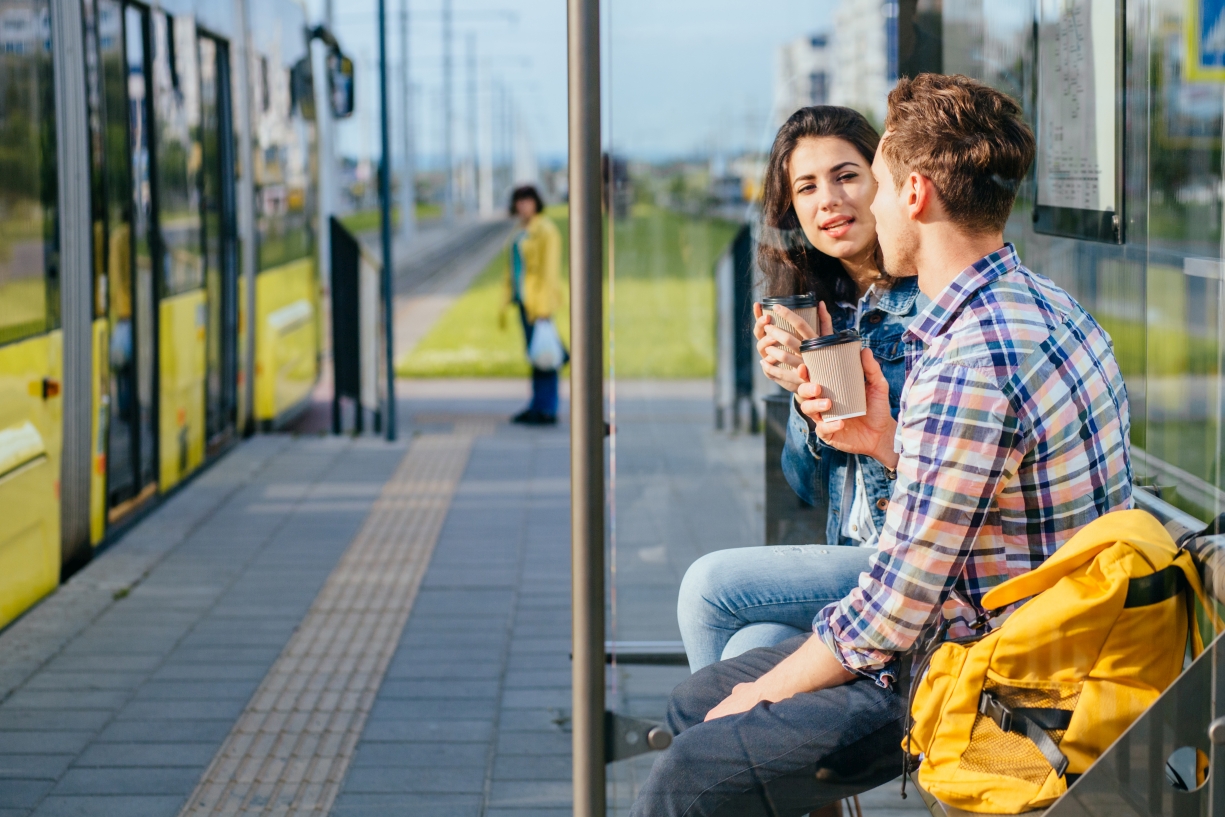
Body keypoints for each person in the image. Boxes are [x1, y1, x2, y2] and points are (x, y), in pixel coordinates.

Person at [630, 73, 1133, 817]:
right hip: (1022, 639)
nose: (854, 204)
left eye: (876, 180)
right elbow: (985, 487)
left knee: (693, 764)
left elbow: (894, 606)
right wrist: (886, 442)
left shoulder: (968, 358)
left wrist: (765, 689)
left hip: (988, 687)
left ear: (915, 194)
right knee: (695, 703)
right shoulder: (1040, 307)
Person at [677, 107, 928, 672]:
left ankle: (707, 752)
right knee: (750, 647)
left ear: (885, 182)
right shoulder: (826, 310)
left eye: (846, 176)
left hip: (909, 564)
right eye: (806, 187)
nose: (828, 202)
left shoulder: (929, 308)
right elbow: (809, 489)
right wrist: (800, 395)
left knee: (709, 586)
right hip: (851, 557)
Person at [504, 184, 564, 425]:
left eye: (527, 201)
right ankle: (537, 405)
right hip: (524, 301)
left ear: (536, 202)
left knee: (546, 356)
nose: (523, 206)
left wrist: (544, 306)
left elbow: (550, 270)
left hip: (538, 303)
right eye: (519, 201)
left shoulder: (545, 230)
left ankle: (547, 408)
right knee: (537, 354)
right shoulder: (522, 229)